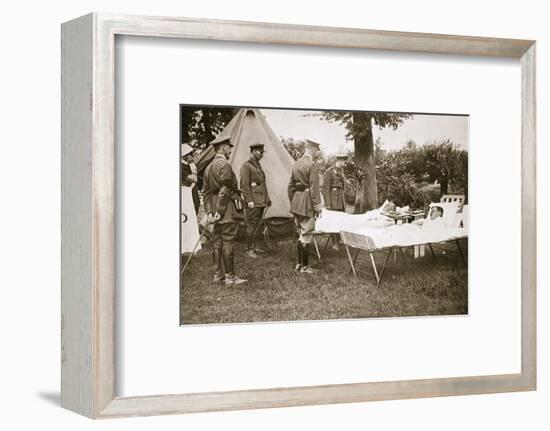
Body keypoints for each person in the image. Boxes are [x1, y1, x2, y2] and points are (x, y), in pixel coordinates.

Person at [202, 136, 247, 285]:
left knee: (217, 242)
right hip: (225, 208)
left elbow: (206, 193)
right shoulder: (225, 165)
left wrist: (210, 212)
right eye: (229, 147)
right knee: (228, 241)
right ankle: (230, 277)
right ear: (223, 148)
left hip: (215, 208)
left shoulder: (208, 168)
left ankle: (218, 275)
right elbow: (225, 189)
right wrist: (220, 211)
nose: (230, 150)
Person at [288, 139, 323, 274]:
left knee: (300, 232)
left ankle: (298, 264)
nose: (316, 154)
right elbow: (314, 189)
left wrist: (294, 200)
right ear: (311, 150)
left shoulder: (296, 164)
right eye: (316, 151)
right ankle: (305, 267)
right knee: (307, 233)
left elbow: (290, 186)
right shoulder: (312, 165)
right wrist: (318, 208)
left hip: (297, 201)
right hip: (307, 201)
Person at [240, 142, 271, 258]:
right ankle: (249, 249)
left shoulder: (257, 166)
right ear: (253, 151)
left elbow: (262, 184)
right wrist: (249, 201)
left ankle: (255, 246)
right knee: (251, 225)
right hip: (253, 202)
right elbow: (244, 185)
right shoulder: (246, 166)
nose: (262, 154)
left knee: (257, 225)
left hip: (260, 201)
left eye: (263, 152)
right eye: (260, 152)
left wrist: (267, 198)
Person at [322, 153, 348, 250]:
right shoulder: (329, 171)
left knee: (341, 220)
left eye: (344, 161)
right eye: (343, 161)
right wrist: (328, 203)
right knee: (333, 222)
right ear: (339, 161)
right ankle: (334, 243)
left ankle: (339, 240)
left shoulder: (341, 171)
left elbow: (343, 185)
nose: (344, 164)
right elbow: (325, 188)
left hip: (340, 199)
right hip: (333, 200)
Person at [181, 143, 200, 214]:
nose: (193, 155)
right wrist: (192, 165)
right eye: (191, 154)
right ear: (186, 156)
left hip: (192, 197)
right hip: (187, 199)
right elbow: (194, 179)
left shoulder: (186, 166)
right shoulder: (182, 167)